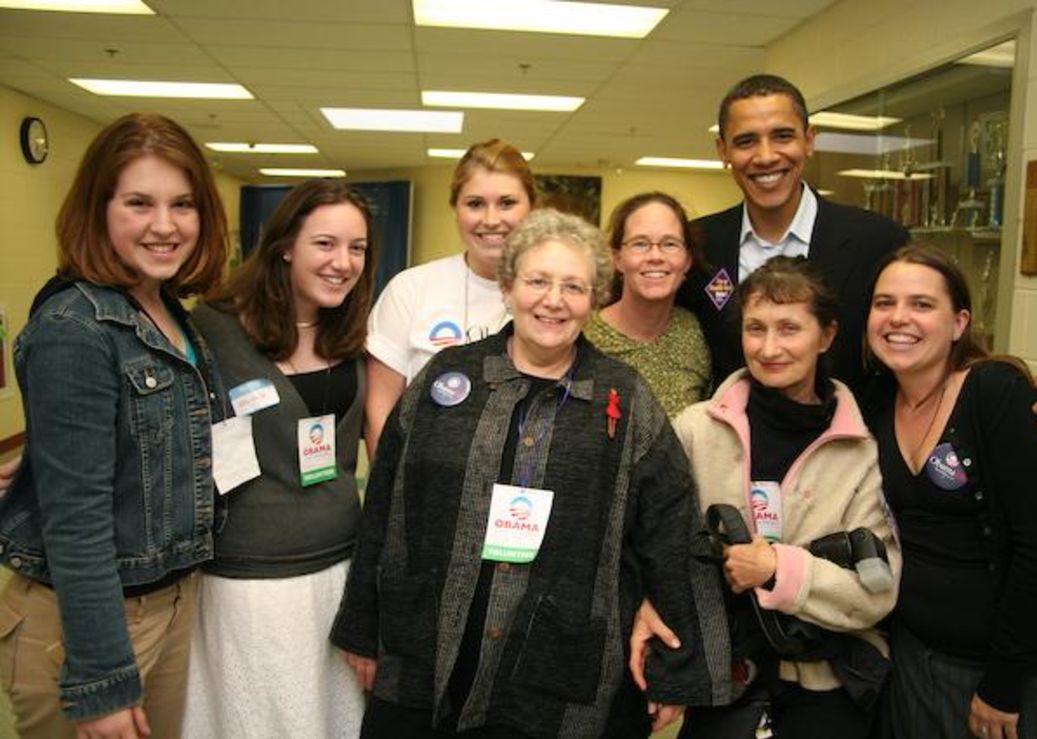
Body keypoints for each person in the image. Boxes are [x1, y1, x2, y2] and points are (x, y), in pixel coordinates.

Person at [331, 209, 726, 738]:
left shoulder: (624, 398)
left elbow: (672, 525)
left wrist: (675, 666)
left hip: (557, 669)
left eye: (574, 286)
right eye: (538, 281)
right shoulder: (448, 379)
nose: (554, 300)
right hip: (428, 648)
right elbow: (386, 502)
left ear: (594, 298)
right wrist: (361, 627)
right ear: (509, 286)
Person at [678, 74, 1037, 441]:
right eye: (746, 140)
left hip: (855, 457)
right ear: (723, 150)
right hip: (737, 457)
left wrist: (1016, 394)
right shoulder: (700, 245)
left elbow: (924, 332)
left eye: (783, 136)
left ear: (809, 140)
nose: (766, 156)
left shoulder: (877, 240)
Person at [0, 113, 228, 739]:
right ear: (98, 209)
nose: (165, 225)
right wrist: (101, 681)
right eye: (139, 203)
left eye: (183, 204)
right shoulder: (75, 328)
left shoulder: (168, 312)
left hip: (170, 600)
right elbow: (77, 523)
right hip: (91, 623)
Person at [864, 244, 1037, 739]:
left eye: (922, 304)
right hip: (917, 661)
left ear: (959, 322)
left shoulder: (996, 393)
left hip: (1018, 674)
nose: (898, 318)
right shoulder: (877, 404)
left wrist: (1003, 685)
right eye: (884, 303)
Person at [667, 256, 899, 737]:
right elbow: (658, 548)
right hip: (722, 683)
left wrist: (779, 569)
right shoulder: (695, 431)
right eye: (756, 329)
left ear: (826, 336)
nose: (769, 348)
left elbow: (878, 592)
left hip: (825, 688)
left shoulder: (861, 452)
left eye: (789, 328)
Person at [183, 180, 375, 738]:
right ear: (286, 244)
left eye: (357, 248)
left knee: (329, 719)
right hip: (249, 582)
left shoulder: (353, 332)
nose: (343, 263)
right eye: (325, 244)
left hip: (339, 568)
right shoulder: (212, 329)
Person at [364, 139, 534, 456]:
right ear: (455, 209)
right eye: (475, 204)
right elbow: (380, 416)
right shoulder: (410, 289)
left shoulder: (553, 299)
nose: (491, 219)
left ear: (531, 209)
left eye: (507, 203)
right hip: (423, 489)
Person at [583, 192, 711, 417]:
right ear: (618, 258)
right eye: (640, 244)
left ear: (687, 260)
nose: (655, 256)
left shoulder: (695, 333)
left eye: (670, 244)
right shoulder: (583, 336)